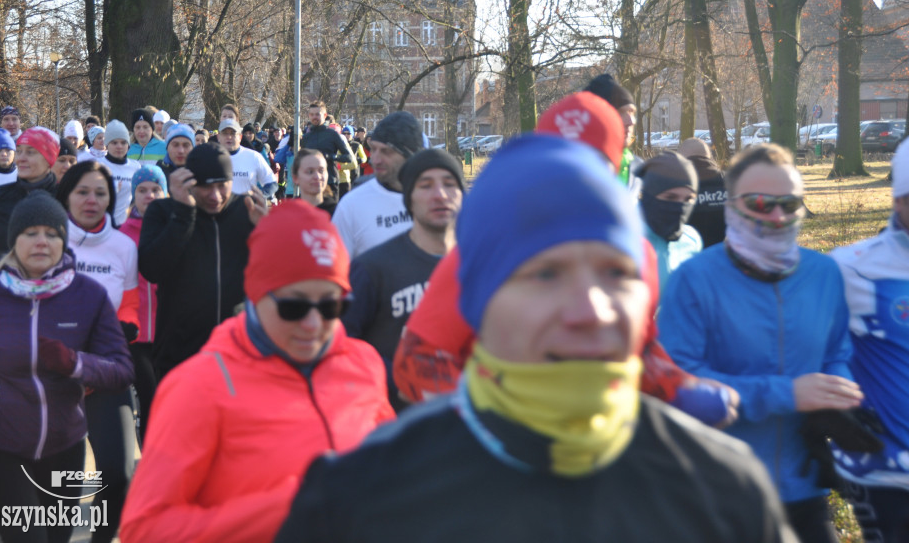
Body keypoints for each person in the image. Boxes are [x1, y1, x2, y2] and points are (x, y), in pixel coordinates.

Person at [276, 135, 795, 543]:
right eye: (546, 275)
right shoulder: (360, 495)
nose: (591, 310)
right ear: (481, 301)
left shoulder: (725, 490)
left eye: (616, 274)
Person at [390, 92, 736, 426]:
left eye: (591, 163)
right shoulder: (488, 248)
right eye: (560, 162)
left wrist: (682, 390)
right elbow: (416, 362)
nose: (574, 178)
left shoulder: (637, 256)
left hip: (600, 450)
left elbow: (638, 351)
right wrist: (496, 420)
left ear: (616, 168)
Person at [120, 200, 394, 543]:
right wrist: (288, 507)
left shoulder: (362, 363)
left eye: (330, 305)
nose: (313, 324)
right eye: (294, 306)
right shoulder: (199, 386)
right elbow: (143, 528)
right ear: (256, 294)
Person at [659, 143, 862, 543]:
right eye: (760, 203)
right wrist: (787, 393)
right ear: (731, 207)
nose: (777, 216)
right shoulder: (695, 280)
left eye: (789, 204)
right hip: (717, 493)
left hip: (805, 485)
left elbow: (836, 351)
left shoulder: (823, 274)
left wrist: (835, 394)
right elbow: (679, 384)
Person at [0, 192, 133, 543]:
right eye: (30, 233)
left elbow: (121, 368)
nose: (41, 242)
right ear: (13, 240)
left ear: (63, 242)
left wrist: (75, 363)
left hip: (65, 443)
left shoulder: (88, 295)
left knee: (57, 538)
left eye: (51, 234)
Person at [827, 138, 909, 541]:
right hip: (883, 473)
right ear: (898, 202)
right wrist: (830, 405)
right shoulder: (852, 268)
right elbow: (805, 338)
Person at [55, 162, 139, 543]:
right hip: (54, 378)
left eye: (100, 193)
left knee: (118, 472)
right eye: (82, 192)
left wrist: (127, 323)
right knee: (61, 485)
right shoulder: (47, 240)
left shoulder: (123, 246)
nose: (92, 200)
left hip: (106, 373)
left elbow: (131, 301)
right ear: (67, 196)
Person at [343, 149, 463, 410]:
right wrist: (402, 378)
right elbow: (343, 344)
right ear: (409, 198)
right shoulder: (372, 268)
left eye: (450, 184)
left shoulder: (482, 267)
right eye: (426, 185)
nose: (440, 194)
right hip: (393, 423)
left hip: (467, 428)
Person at [138, 142, 269, 379]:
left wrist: (266, 232)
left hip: (239, 355)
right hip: (180, 356)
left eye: (222, 186)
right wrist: (183, 214)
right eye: (206, 187)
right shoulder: (164, 211)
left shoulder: (248, 210)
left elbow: (276, 280)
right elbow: (151, 269)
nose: (215, 196)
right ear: (189, 182)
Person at [0, 127, 60, 282]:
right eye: (20, 151)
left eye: (30, 152)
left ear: (49, 157)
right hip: (3, 289)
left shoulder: (65, 198)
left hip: (50, 291)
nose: (21, 158)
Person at [118, 165, 167, 444]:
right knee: (149, 398)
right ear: (133, 195)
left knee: (167, 401)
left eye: (156, 189)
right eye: (143, 190)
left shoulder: (174, 227)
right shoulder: (122, 234)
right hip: (134, 335)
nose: (149, 195)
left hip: (166, 331)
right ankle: (150, 460)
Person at [332, 111, 423, 257]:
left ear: (410, 154)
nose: (375, 159)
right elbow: (335, 268)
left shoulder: (436, 200)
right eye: (374, 149)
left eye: (386, 152)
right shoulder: (351, 205)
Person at [635, 151, 703, 292]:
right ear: (648, 196)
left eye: (688, 199)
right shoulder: (624, 239)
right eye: (670, 197)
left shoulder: (691, 240)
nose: (679, 207)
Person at [584, 74, 641, 194]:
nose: (631, 122)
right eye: (620, 112)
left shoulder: (641, 170)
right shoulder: (575, 170)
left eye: (631, 112)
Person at [677, 137, 727, 246]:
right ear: (710, 157)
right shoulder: (732, 183)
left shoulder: (674, 189)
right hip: (727, 257)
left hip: (689, 257)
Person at [216, 118, 278, 199]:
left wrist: (258, 196)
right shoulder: (211, 158)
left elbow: (272, 183)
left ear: (240, 137)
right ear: (218, 137)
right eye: (225, 133)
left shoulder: (254, 156)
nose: (229, 137)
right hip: (221, 210)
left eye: (233, 133)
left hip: (248, 209)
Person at [300, 102, 355, 190]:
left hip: (330, 182)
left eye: (317, 114)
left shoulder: (332, 134)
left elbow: (348, 157)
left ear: (325, 115)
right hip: (311, 183)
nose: (314, 117)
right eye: (312, 114)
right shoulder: (306, 138)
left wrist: (332, 157)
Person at [99, 120, 141, 225]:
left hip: (126, 224)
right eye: (114, 142)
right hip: (102, 224)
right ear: (107, 144)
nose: (119, 146)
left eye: (123, 142)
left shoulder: (135, 166)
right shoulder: (98, 165)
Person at [292, 148, 338, 216]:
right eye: (310, 172)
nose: (317, 177)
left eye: (321, 171)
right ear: (295, 178)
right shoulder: (288, 213)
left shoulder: (338, 213)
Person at [337, 126, 366, 198]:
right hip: (343, 174)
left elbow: (364, 158)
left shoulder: (356, 144)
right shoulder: (339, 145)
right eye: (344, 134)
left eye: (348, 134)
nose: (346, 136)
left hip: (354, 172)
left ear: (352, 134)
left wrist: (355, 160)